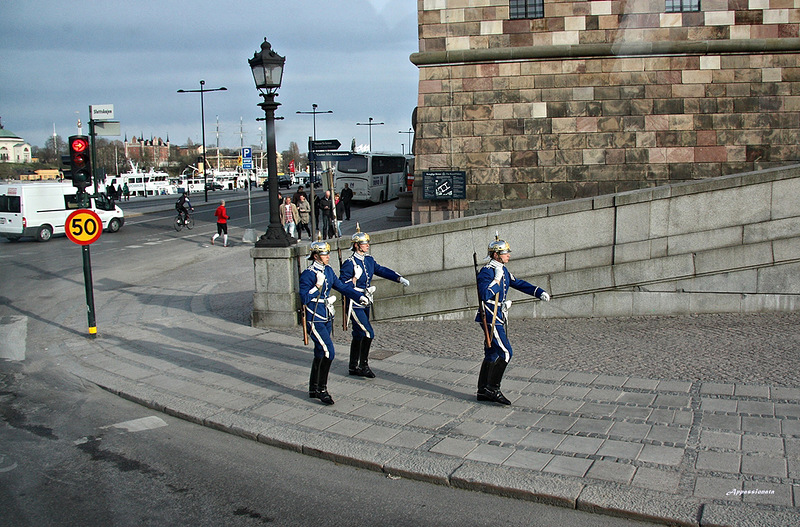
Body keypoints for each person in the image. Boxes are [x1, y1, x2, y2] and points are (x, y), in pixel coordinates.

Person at [475, 235, 550, 405]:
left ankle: (482, 391)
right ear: (495, 255)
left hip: (499, 315)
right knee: (506, 352)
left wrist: (538, 292)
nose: (508, 255)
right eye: (505, 253)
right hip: (490, 317)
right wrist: (496, 278)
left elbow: (518, 283)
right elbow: (485, 294)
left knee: (492, 352)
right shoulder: (487, 271)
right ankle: (493, 389)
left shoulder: (503, 270)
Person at [300, 239, 370, 405]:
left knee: (319, 352)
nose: (328, 256)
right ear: (316, 256)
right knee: (328, 352)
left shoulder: (329, 271)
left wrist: (358, 296)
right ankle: (322, 389)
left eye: (328, 253)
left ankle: (313, 388)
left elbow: (342, 287)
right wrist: (316, 286)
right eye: (325, 254)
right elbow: (303, 298)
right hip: (314, 317)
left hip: (326, 316)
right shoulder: (308, 274)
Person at [339, 226, 410, 378]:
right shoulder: (349, 263)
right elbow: (342, 285)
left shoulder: (369, 260)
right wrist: (354, 279)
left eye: (367, 243)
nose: (367, 245)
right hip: (355, 302)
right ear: (357, 245)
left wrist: (398, 278)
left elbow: (381, 270)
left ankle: (353, 366)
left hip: (366, 301)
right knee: (368, 333)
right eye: (365, 243)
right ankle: (364, 365)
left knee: (358, 334)